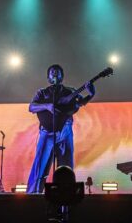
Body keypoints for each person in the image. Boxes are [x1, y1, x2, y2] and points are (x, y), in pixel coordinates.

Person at [26, 64, 95, 193]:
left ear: (62, 76)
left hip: (65, 131)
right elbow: (31, 107)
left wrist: (91, 95)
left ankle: (66, 197)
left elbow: (80, 102)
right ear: (48, 77)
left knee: (66, 166)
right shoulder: (42, 92)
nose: (55, 74)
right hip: (46, 133)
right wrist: (47, 106)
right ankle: (34, 196)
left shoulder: (70, 91)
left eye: (58, 72)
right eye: (52, 72)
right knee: (40, 165)